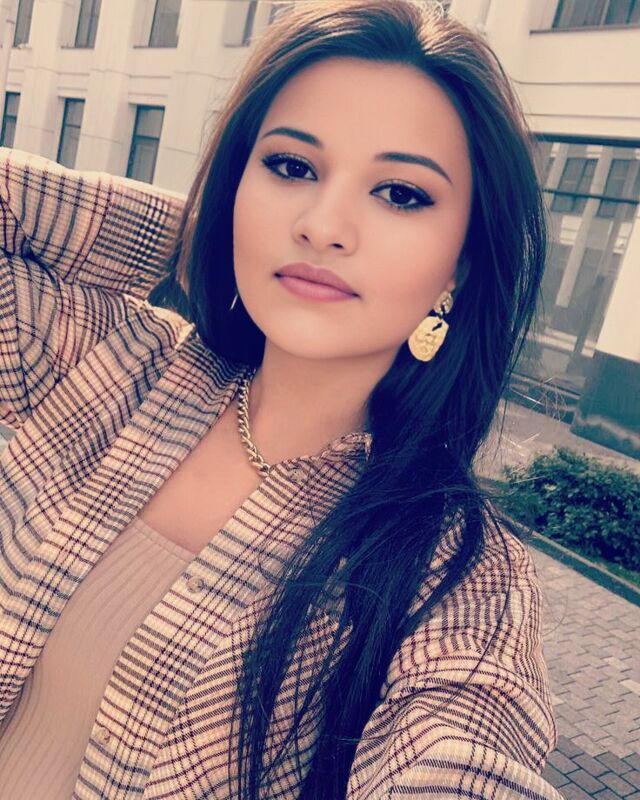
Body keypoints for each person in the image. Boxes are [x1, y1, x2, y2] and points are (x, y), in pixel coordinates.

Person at [0, 0, 563, 797]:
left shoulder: (457, 577)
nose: (323, 226)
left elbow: (468, 753)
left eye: (400, 193)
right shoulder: (115, 366)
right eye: (292, 168)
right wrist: (203, 241)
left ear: (459, 266)